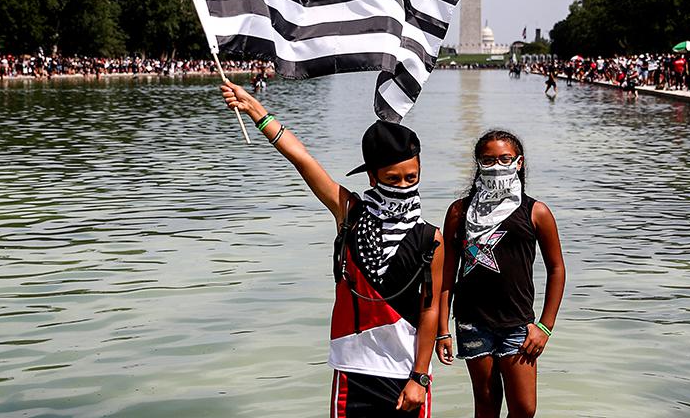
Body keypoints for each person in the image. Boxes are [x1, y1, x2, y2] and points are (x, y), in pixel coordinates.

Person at [219, 83, 443, 417]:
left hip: (405, 373)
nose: (403, 187)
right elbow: (303, 160)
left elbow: (430, 310)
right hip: (353, 369)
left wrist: (420, 377)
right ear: (372, 178)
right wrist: (256, 111)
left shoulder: (431, 239)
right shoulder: (350, 214)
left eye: (411, 178)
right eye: (393, 179)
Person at [437, 130, 565, 418]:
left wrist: (545, 326)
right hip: (472, 321)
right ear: (478, 164)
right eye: (488, 160)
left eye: (505, 159)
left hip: (518, 323)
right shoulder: (459, 212)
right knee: (486, 406)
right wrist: (441, 330)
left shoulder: (537, 212)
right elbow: (447, 273)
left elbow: (556, 269)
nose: (497, 166)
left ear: (519, 163)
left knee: (524, 408)